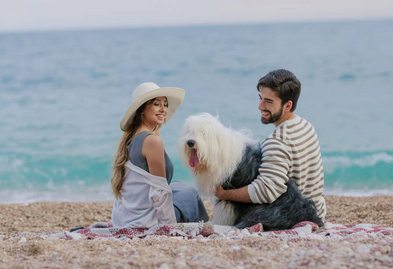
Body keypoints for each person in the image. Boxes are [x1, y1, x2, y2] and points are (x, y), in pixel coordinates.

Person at [215, 69, 326, 220]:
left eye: (268, 101)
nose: (260, 106)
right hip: (317, 212)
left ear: (287, 106)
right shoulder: (306, 125)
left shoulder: (277, 141)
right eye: (260, 98)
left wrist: (224, 194)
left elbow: (266, 191)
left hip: (293, 218)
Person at [111, 82, 209, 228]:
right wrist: (169, 227)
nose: (163, 109)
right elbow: (160, 192)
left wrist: (156, 122)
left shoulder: (131, 137)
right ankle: (202, 225)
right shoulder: (152, 141)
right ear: (142, 108)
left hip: (126, 215)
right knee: (190, 193)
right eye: (157, 104)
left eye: (165, 104)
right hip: (145, 220)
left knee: (179, 186)